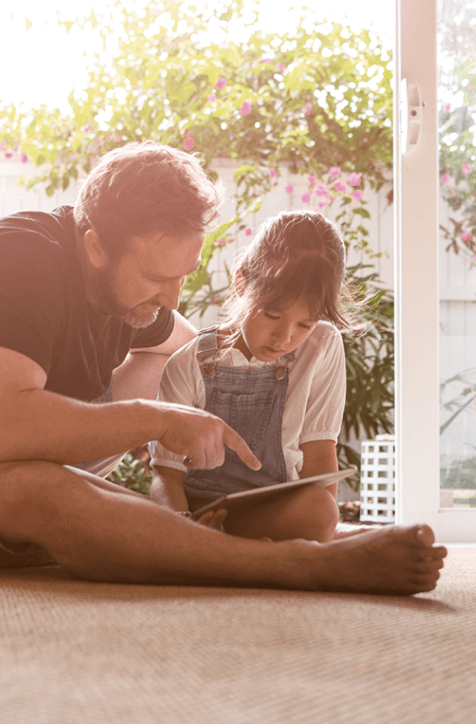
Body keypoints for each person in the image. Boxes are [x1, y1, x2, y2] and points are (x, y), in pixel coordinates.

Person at [0, 142, 446, 595]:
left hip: (4, 451)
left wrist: (206, 420)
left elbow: (187, 350)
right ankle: (301, 567)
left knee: (148, 385)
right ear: (94, 246)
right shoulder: (19, 259)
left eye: (181, 275)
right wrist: (155, 419)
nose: (170, 296)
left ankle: (198, 530)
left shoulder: (126, 299)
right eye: (158, 278)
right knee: (43, 487)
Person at [149, 210, 352, 543]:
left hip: (270, 512)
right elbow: (166, 473)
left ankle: (233, 549)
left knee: (321, 511)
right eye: (272, 315)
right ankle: (223, 547)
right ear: (241, 281)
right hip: (200, 511)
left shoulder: (323, 344)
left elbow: (319, 453)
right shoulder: (187, 364)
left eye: (305, 324)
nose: (284, 338)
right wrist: (182, 525)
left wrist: (324, 532)